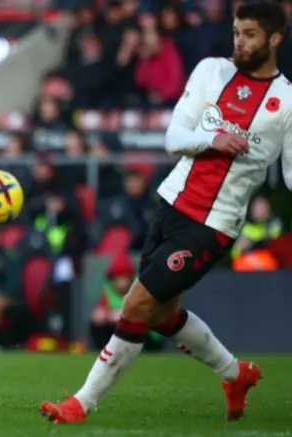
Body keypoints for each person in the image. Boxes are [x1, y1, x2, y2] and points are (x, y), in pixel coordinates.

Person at [40, 0, 292, 424]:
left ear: (274, 39)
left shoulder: (286, 101)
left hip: (214, 224)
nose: (239, 41)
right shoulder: (211, 70)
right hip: (172, 203)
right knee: (162, 313)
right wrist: (214, 140)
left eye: (249, 35)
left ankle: (81, 403)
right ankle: (235, 374)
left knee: (136, 304)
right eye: (235, 32)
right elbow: (176, 136)